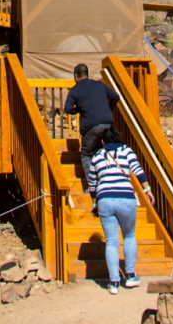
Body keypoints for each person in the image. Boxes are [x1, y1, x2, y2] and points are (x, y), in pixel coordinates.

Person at [83, 127, 150, 293]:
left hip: (104, 198)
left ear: (103, 141)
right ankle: (130, 275)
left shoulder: (97, 156)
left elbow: (92, 183)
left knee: (111, 241)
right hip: (126, 196)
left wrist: (94, 203)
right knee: (129, 235)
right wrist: (147, 189)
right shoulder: (126, 151)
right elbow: (137, 170)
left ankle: (113, 282)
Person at [64, 63, 119, 164]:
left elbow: (67, 109)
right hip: (107, 123)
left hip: (90, 126)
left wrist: (78, 109)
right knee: (105, 151)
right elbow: (115, 96)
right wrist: (108, 108)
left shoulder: (74, 90)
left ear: (76, 76)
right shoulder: (99, 84)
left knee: (86, 154)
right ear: (87, 74)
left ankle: (92, 180)